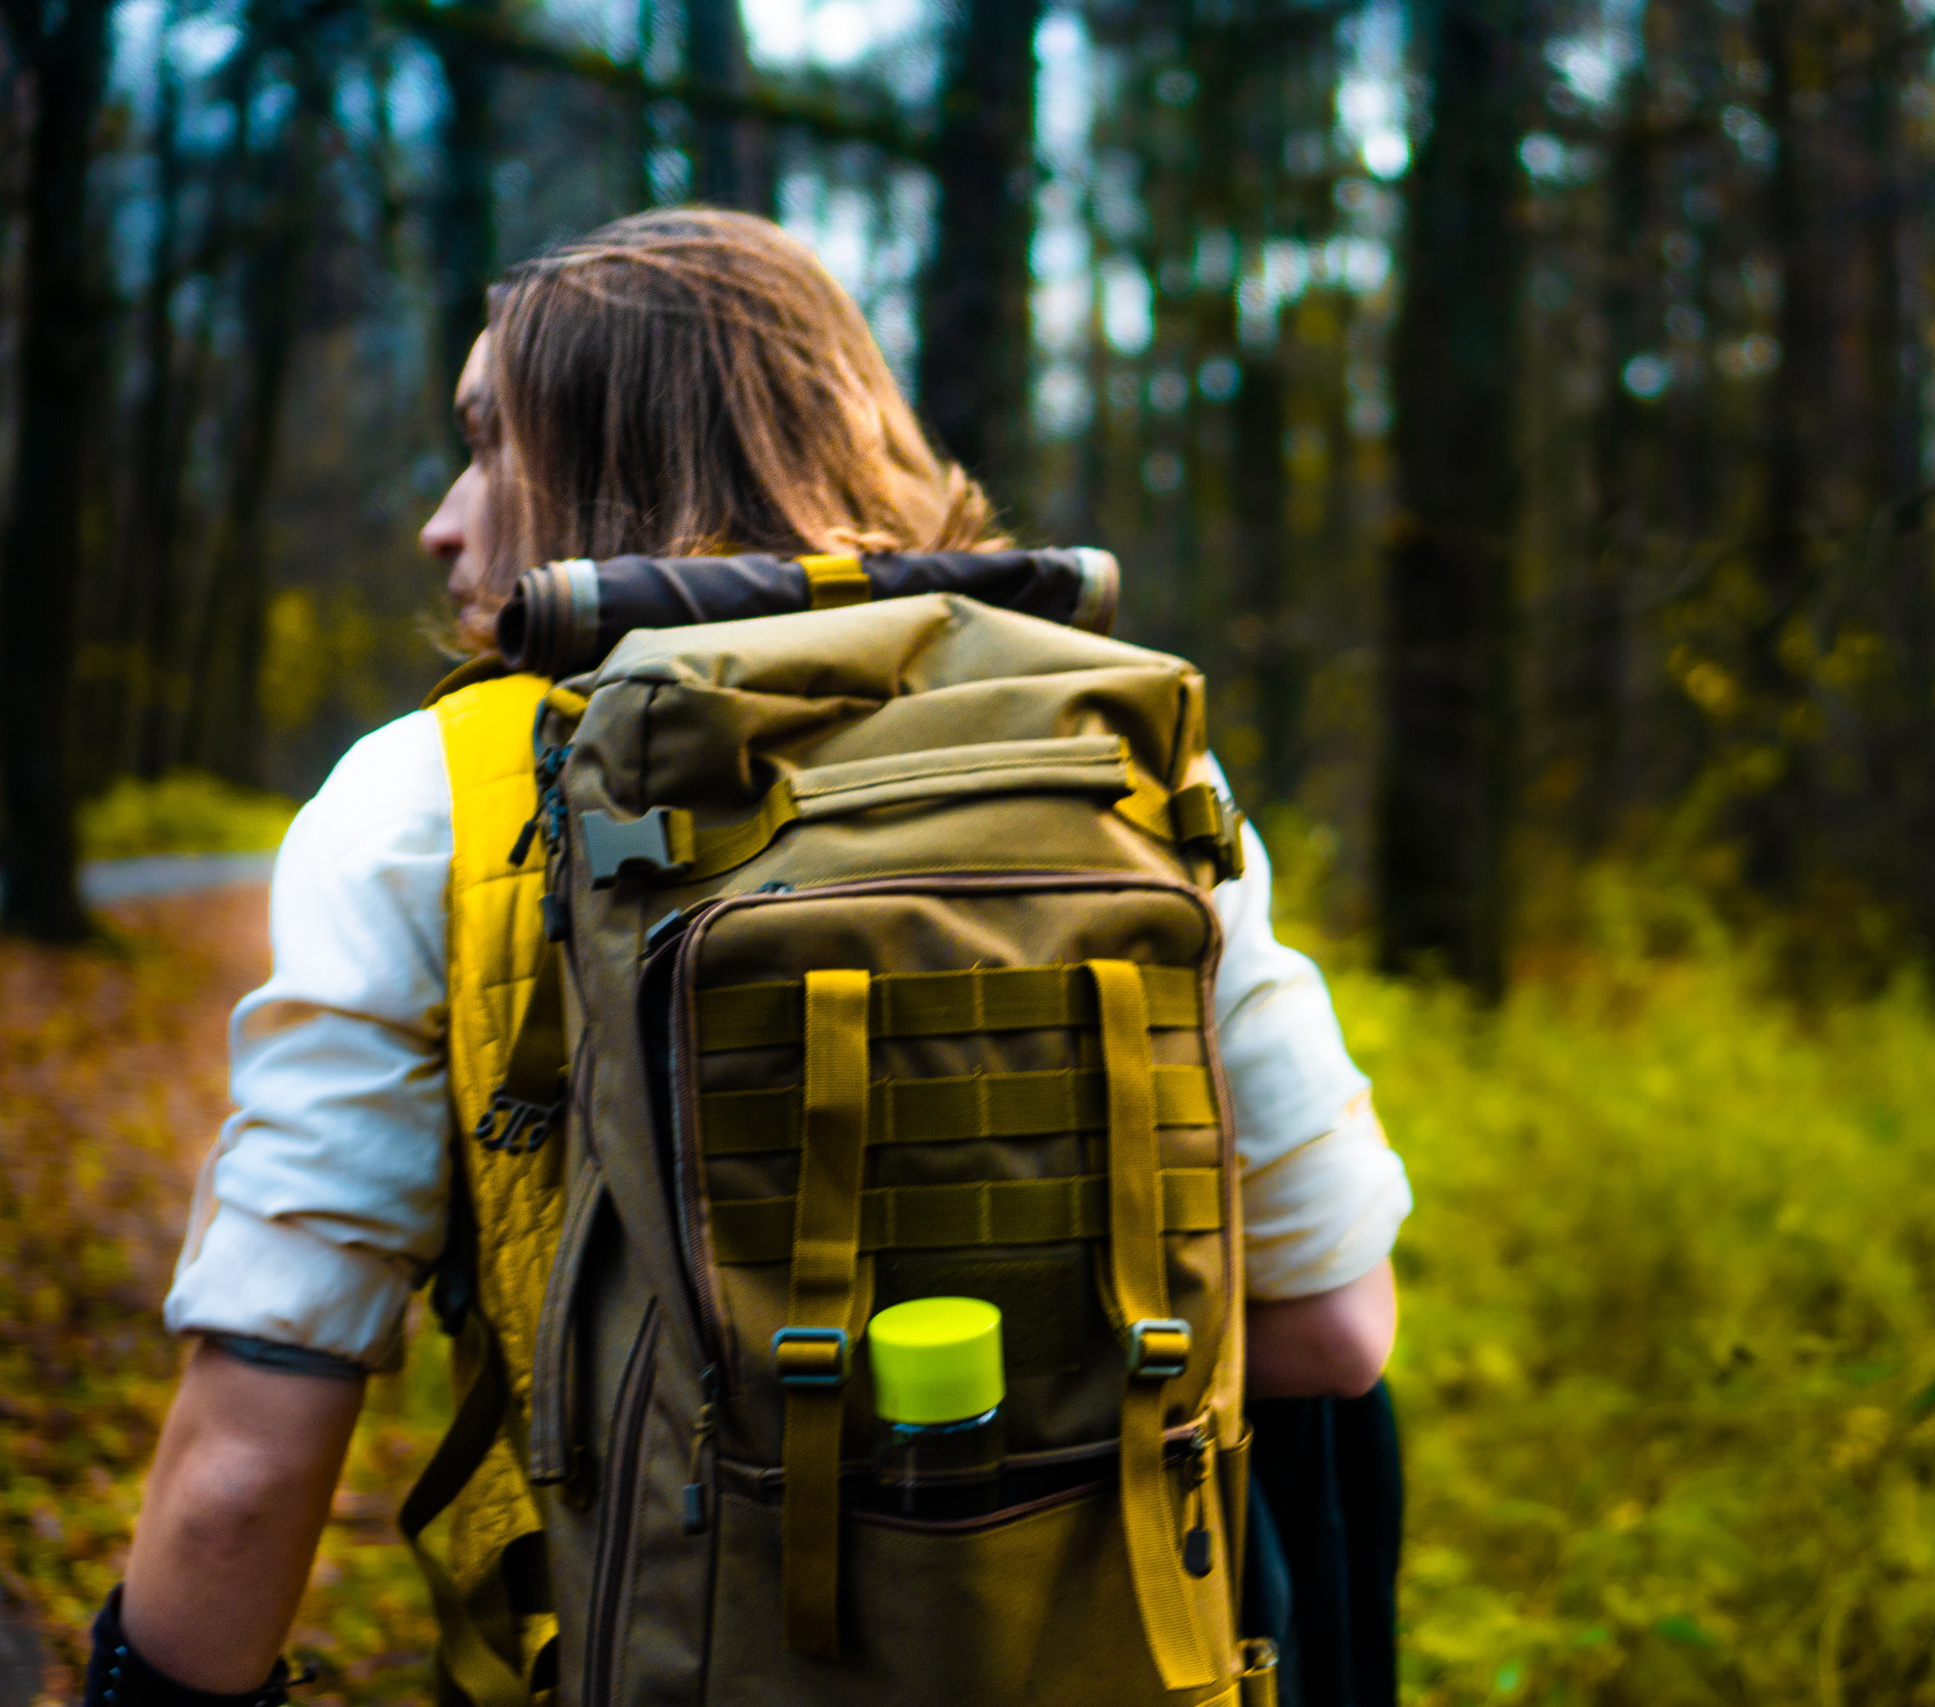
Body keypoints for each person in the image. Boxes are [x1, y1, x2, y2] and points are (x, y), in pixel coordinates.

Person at [90, 209, 1408, 1705]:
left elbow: (254, 1450)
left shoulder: (425, 799)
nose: (442, 522)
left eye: (489, 446)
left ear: (611, 467)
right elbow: (1332, 1326)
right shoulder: (1126, 755)